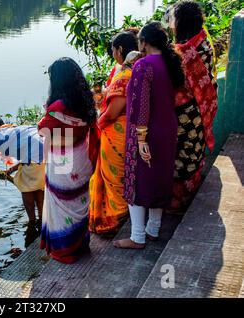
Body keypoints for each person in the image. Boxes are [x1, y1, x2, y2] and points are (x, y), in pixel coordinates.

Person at [114, 22, 185, 249]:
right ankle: (152, 229)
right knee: (159, 178)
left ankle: (137, 237)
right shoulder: (170, 62)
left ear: (143, 42)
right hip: (168, 128)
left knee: (138, 180)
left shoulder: (144, 66)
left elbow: (141, 105)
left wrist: (140, 137)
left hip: (146, 131)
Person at [38, 57, 99, 263]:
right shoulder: (85, 99)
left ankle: (65, 251)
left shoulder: (57, 106)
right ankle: (81, 243)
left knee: (61, 203)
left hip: (63, 164)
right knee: (79, 199)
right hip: (82, 160)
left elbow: (43, 130)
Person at [168, 0, 218, 213]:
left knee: (181, 157)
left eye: (171, 18)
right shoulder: (203, 39)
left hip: (183, 114)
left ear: (180, 22)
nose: (169, 22)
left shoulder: (183, 52)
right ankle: (189, 193)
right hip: (199, 110)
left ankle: (177, 203)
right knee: (193, 152)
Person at [89, 31, 139, 236]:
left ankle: (117, 220)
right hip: (127, 130)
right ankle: (122, 216)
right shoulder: (134, 69)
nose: (112, 53)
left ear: (119, 50)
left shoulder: (124, 76)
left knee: (115, 179)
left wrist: (96, 124)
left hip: (117, 133)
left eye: (113, 49)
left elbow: (112, 112)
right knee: (122, 176)